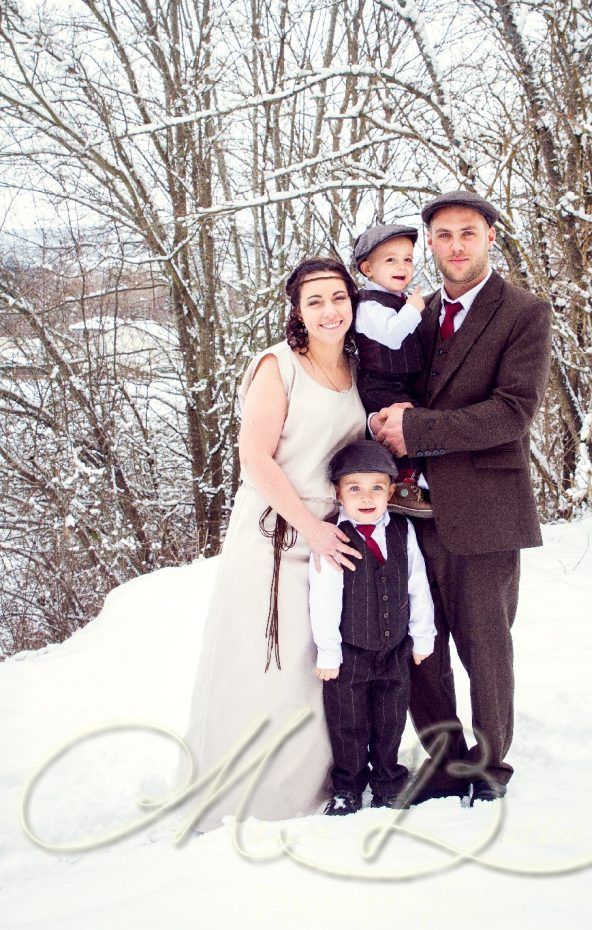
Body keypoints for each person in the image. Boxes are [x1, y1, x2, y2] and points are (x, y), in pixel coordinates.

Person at [374, 190, 552, 805]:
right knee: (421, 644)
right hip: (408, 510)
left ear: (490, 238)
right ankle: (444, 763)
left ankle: (489, 764)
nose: (455, 245)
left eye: (468, 233)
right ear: (432, 243)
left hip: (485, 510)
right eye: (443, 234)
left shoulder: (524, 313)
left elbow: (512, 413)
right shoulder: (415, 315)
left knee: (485, 644)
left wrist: (416, 426)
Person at [177, 258, 367, 830]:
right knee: (265, 667)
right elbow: (254, 458)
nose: (330, 310)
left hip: (334, 537)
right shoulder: (278, 366)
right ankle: (245, 800)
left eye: (338, 297)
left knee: (317, 667)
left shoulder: (360, 369)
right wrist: (310, 530)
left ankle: (310, 788)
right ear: (297, 311)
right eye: (315, 301)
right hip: (274, 532)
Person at [308, 440, 436, 815]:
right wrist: (329, 652)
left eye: (376, 487)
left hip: (394, 651)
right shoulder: (333, 538)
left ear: (391, 491)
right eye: (354, 488)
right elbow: (324, 599)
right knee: (348, 724)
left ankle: (387, 783)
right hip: (349, 655)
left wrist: (422, 636)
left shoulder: (402, 531)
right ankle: (347, 787)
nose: (366, 497)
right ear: (338, 493)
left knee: (390, 722)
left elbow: (417, 584)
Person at [352, 221, 432, 518]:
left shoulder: (398, 300)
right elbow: (392, 335)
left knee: (417, 421)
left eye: (408, 259)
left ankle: (417, 478)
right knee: (398, 427)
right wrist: (414, 308)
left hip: (402, 381)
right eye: (391, 260)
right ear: (367, 269)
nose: (402, 266)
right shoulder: (367, 304)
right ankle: (401, 486)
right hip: (380, 383)